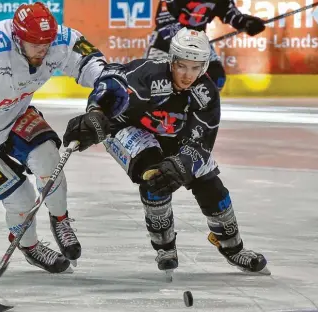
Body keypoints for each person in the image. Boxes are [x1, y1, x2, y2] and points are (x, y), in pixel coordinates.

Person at [0, 2, 124, 274]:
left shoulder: (58, 41)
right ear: (17, 38)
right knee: (22, 200)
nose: (43, 49)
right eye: (35, 43)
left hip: (15, 116)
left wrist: (106, 82)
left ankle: (60, 219)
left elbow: (91, 63)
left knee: (49, 160)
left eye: (47, 42)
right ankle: (29, 246)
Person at [63, 27, 270, 279]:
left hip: (176, 138)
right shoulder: (148, 74)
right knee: (154, 176)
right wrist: (95, 112)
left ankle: (233, 248)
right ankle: (164, 247)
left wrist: (181, 165)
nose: (187, 75)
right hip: (127, 129)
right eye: (182, 66)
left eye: (196, 68)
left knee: (211, 186)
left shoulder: (206, 94)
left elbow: (202, 142)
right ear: (171, 59)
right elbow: (111, 77)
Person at [144, 0, 266, 90]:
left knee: (216, 77)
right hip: (165, 43)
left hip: (198, 41)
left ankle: (194, 114)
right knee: (155, 84)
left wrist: (247, 23)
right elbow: (164, 20)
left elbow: (230, 14)